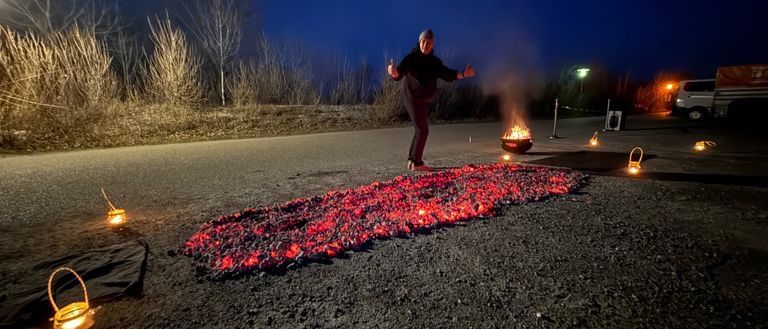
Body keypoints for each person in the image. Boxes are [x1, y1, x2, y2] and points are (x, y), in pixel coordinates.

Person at [388, 29, 475, 172]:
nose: (425, 45)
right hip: (412, 98)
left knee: (420, 130)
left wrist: (465, 74)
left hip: (422, 100)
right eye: (423, 42)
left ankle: (412, 161)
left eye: (428, 43)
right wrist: (393, 72)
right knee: (423, 130)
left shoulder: (435, 62)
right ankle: (417, 163)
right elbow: (399, 72)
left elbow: (448, 75)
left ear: (432, 45)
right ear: (419, 42)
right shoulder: (412, 58)